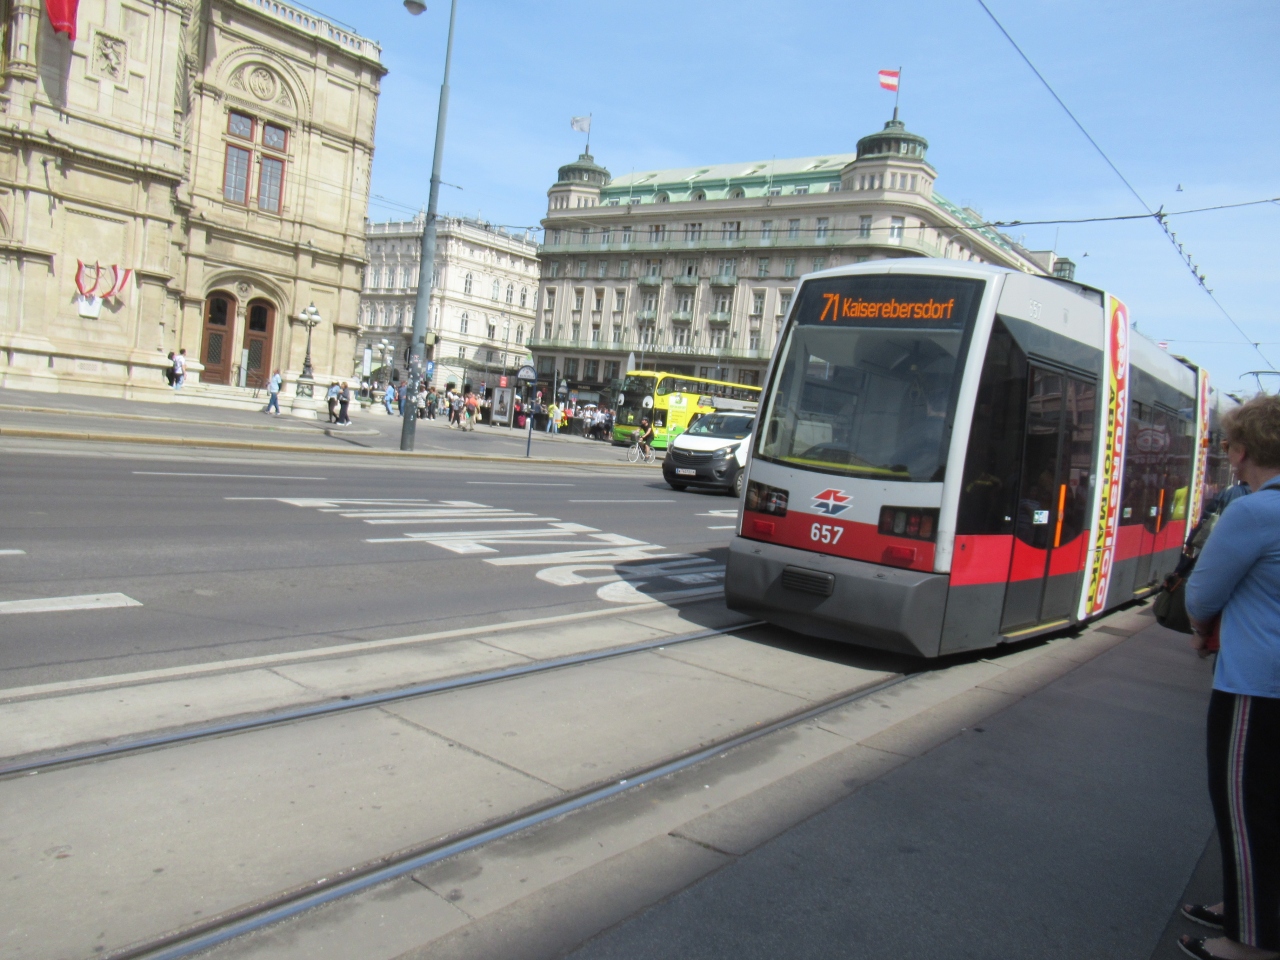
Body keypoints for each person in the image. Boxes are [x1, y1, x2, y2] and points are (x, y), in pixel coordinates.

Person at [1182, 394, 1280, 960]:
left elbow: (1201, 595)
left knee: (1245, 808)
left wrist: (1201, 631)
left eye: (1230, 445)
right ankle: (1248, 907)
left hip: (1256, 685)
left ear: (1243, 450)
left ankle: (1252, 942)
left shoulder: (1254, 511)